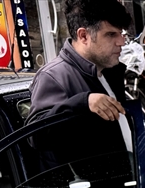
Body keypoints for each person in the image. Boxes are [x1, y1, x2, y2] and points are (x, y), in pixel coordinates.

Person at [28, 0, 133, 150]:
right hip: (82, 174)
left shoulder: (109, 70)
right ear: (83, 36)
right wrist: (82, 103)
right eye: (111, 34)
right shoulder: (53, 77)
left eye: (121, 33)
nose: (121, 42)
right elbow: (35, 137)